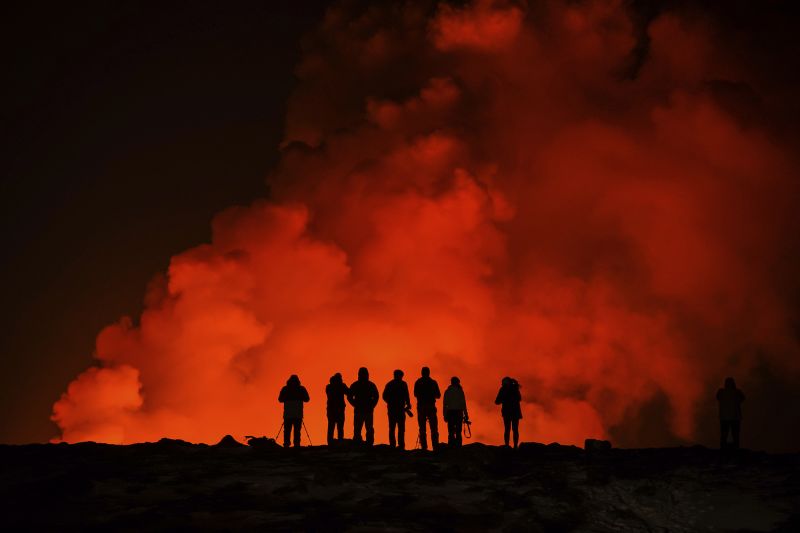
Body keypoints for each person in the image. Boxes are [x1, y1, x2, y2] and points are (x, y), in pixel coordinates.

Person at [348, 367, 380, 445]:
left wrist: (372, 405)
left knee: (365, 428)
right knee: (361, 428)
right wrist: (355, 404)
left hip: (364, 410)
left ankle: (363, 443)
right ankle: (363, 443)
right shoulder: (369, 385)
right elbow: (349, 396)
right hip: (362, 410)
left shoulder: (357, 385)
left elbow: (376, 396)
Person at [382, 369, 412, 449]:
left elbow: (384, 396)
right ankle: (400, 445)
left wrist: (390, 402)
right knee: (399, 428)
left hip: (394, 409)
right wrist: (408, 404)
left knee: (394, 428)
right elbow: (407, 395)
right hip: (398, 409)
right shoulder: (403, 384)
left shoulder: (390, 384)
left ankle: (394, 445)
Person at [278, 374, 310, 448]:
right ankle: (296, 445)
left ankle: (286, 445)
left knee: (287, 430)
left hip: (288, 413)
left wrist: (288, 398)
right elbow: (307, 399)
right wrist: (299, 397)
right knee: (297, 431)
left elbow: (280, 399)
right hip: (298, 413)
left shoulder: (285, 389)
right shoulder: (301, 389)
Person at [414, 366, 441, 450]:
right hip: (431, 406)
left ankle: (424, 447)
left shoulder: (418, 382)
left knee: (422, 428)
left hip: (421, 407)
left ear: (422, 373)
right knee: (434, 428)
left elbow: (415, 394)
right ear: (429, 373)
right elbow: (438, 395)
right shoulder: (433, 382)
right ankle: (435, 446)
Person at [716, 377, 745, 450]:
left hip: (724, 417)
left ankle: (723, 449)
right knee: (735, 435)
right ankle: (736, 449)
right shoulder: (737, 392)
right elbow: (743, 398)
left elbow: (717, 397)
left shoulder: (721, 392)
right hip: (735, 417)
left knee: (724, 435)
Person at [495, 377, 522, 448]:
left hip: (507, 412)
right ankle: (515, 446)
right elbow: (519, 398)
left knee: (507, 429)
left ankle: (507, 445)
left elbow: (497, 401)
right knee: (515, 429)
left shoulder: (503, 389)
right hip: (515, 412)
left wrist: (503, 399)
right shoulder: (515, 388)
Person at [443, 376, 468, 447]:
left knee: (451, 431)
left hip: (450, 413)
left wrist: (445, 414)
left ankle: (451, 445)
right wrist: (466, 414)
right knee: (458, 431)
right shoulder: (460, 391)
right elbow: (463, 404)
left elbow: (445, 404)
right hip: (458, 413)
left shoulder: (447, 391)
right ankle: (458, 446)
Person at [326, 373, 350, 445]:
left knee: (331, 427)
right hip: (339, 410)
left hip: (331, 410)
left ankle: (330, 442)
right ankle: (340, 441)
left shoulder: (329, 387)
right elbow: (349, 392)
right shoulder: (341, 386)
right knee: (340, 427)